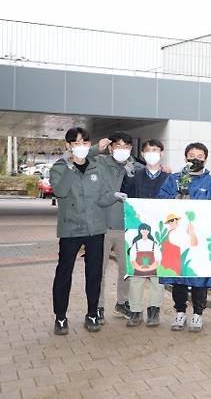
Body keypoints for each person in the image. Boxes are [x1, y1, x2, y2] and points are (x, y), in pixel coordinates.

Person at [50, 127, 120, 334]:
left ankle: (92, 314)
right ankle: (60, 317)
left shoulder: (97, 166)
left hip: (95, 229)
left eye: (84, 143)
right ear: (68, 146)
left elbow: (102, 196)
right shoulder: (59, 167)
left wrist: (116, 196)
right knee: (64, 273)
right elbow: (60, 192)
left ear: (89, 145)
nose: (80, 147)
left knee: (94, 273)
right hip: (70, 228)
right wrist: (72, 167)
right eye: (76, 143)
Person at [159, 142, 211, 332]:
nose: (195, 159)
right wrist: (176, 199)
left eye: (200, 156)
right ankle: (180, 312)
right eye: (192, 155)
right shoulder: (174, 179)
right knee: (179, 276)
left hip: (199, 239)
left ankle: (198, 314)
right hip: (178, 238)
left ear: (205, 159)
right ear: (185, 157)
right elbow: (160, 200)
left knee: (199, 276)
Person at [92, 131, 144, 323]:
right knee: (98, 269)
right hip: (102, 226)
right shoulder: (99, 162)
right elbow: (77, 160)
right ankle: (97, 306)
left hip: (128, 227)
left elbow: (153, 178)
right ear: (111, 147)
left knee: (126, 269)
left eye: (126, 146)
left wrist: (166, 171)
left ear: (131, 148)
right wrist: (95, 148)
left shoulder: (137, 167)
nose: (122, 150)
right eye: (118, 146)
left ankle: (123, 303)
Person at [122, 139, 169, 327]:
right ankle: (135, 310)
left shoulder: (169, 177)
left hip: (160, 231)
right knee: (137, 273)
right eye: (149, 151)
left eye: (156, 150)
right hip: (137, 230)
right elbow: (127, 200)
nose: (152, 154)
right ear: (142, 154)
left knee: (158, 273)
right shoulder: (134, 176)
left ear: (162, 154)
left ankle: (154, 310)